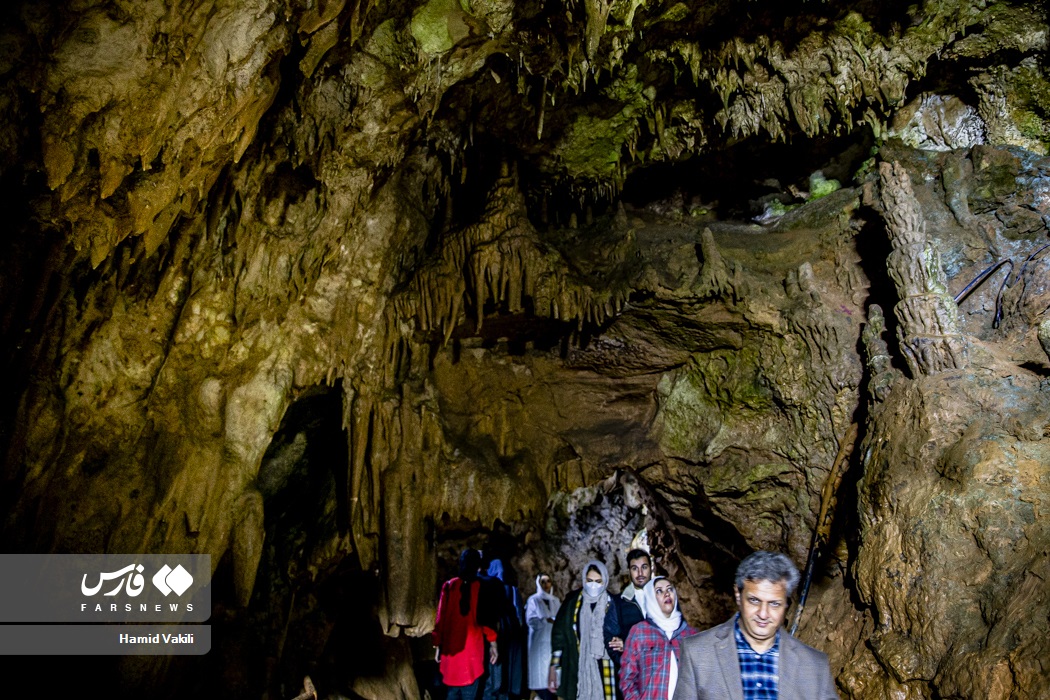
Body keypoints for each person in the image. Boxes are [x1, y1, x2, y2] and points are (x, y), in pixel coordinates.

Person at [673, 551, 839, 700]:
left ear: (786, 603)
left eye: (774, 604)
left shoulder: (814, 665)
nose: (763, 614)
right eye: (754, 600)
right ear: (738, 595)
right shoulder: (698, 653)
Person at [434, 549, 499, 700]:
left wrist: (437, 645)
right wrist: (493, 643)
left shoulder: (449, 586)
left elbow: (440, 620)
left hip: (451, 656)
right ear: (477, 566)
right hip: (472, 657)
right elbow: (485, 620)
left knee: (451, 694)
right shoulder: (481, 587)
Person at [619, 576, 698, 700]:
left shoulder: (690, 633)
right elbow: (627, 678)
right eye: (659, 591)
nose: (666, 594)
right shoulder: (639, 632)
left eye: (669, 589)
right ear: (651, 598)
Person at [549, 561, 619, 700]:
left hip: (605, 669)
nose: (593, 585)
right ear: (583, 580)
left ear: (605, 581)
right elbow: (559, 635)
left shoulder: (614, 604)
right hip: (576, 666)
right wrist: (554, 666)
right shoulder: (572, 602)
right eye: (589, 580)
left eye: (598, 581)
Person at [481, 559, 526, 700]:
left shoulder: (508, 590)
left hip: (506, 636)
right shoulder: (494, 588)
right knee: (498, 675)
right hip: (500, 636)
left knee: (502, 675)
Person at [607, 549, 653, 659]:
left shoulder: (663, 597)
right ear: (629, 571)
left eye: (644, 567)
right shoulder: (619, 603)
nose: (640, 573)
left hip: (662, 670)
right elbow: (610, 640)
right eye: (634, 568)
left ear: (651, 568)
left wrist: (628, 645)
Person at [526, 573, 561, 700]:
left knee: (553, 683)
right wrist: (547, 621)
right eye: (543, 581)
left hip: (552, 643)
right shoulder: (533, 600)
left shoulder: (555, 601)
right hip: (539, 644)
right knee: (541, 681)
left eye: (548, 581)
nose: (546, 584)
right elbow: (531, 620)